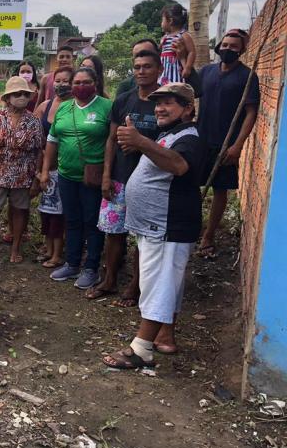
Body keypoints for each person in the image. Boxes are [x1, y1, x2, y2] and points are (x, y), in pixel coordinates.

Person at [102, 83, 205, 369]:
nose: (160, 108)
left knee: (158, 285)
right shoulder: (169, 134)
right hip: (156, 226)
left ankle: (141, 349)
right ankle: (159, 336)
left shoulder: (190, 137)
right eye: (158, 103)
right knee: (161, 283)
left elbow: (179, 166)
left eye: (169, 103)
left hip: (168, 226)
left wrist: (140, 142)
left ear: (187, 109)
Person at [88, 48, 163, 302]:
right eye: (138, 66)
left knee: (142, 236)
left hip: (149, 182)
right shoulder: (123, 100)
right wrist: (106, 175)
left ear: (159, 70)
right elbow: (111, 140)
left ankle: (136, 285)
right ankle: (109, 280)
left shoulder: (165, 103)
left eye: (147, 66)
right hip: (119, 178)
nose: (141, 71)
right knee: (113, 231)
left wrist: (141, 143)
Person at [40, 66, 111, 289]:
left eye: (85, 82)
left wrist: (108, 173)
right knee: (71, 220)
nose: (80, 87)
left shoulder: (106, 107)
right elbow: (52, 141)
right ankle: (71, 263)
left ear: (96, 83)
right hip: (66, 175)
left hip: (91, 177)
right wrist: (45, 170)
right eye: (77, 83)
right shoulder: (64, 108)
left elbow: (112, 143)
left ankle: (91, 268)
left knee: (92, 222)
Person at [194, 28, 258, 259]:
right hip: (201, 140)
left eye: (234, 46)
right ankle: (191, 229)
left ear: (242, 50)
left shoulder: (247, 76)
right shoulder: (207, 72)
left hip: (226, 144)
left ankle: (209, 236)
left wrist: (237, 145)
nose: (228, 49)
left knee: (220, 190)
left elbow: (251, 112)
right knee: (192, 185)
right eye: (225, 45)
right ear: (219, 46)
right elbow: (192, 96)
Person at [0, 77, 43, 263]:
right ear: (8, 98)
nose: (22, 97)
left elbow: (39, 150)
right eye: (17, 94)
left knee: (20, 210)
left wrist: (37, 178)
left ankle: (16, 247)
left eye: (25, 94)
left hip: (23, 173)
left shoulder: (33, 121)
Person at [33, 66, 74, 268]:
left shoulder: (76, 106)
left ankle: (59, 253)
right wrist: (40, 169)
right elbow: (34, 135)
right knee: (47, 211)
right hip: (46, 169)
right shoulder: (45, 107)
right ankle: (49, 250)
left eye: (66, 80)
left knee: (61, 214)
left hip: (66, 169)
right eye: (58, 81)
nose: (61, 84)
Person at [160, 3, 195, 84]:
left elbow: (191, 52)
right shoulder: (165, 37)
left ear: (170, 21)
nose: (161, 23)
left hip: (176, 67)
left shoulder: (184, 35)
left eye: (162, 20)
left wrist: (187, 67)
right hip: (165, 69)